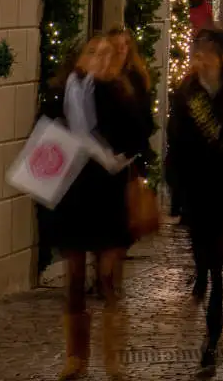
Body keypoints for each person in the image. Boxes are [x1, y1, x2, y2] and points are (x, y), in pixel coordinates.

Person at [43, 30, 153, 379]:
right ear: (81, 58)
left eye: (107, 54)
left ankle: (112, 358)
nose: (101, 60)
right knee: (74, 279)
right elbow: (45, 135)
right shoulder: (63, 93)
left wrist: (115, 154)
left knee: (107, 278)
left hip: (109, 193)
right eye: (94, 53)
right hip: (74, 194)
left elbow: (139, 134)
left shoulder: (121, 92)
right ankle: (76, 359)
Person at [167, 28, 223, 373]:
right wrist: (177, 188)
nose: (199, 59)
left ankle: (211, 344)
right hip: (197, 194)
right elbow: (175, 143)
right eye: (196, 53)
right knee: (205, 265)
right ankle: (211, 325)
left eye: (205, 53)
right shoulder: (186, 93)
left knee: (219, 271)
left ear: (219, 56)